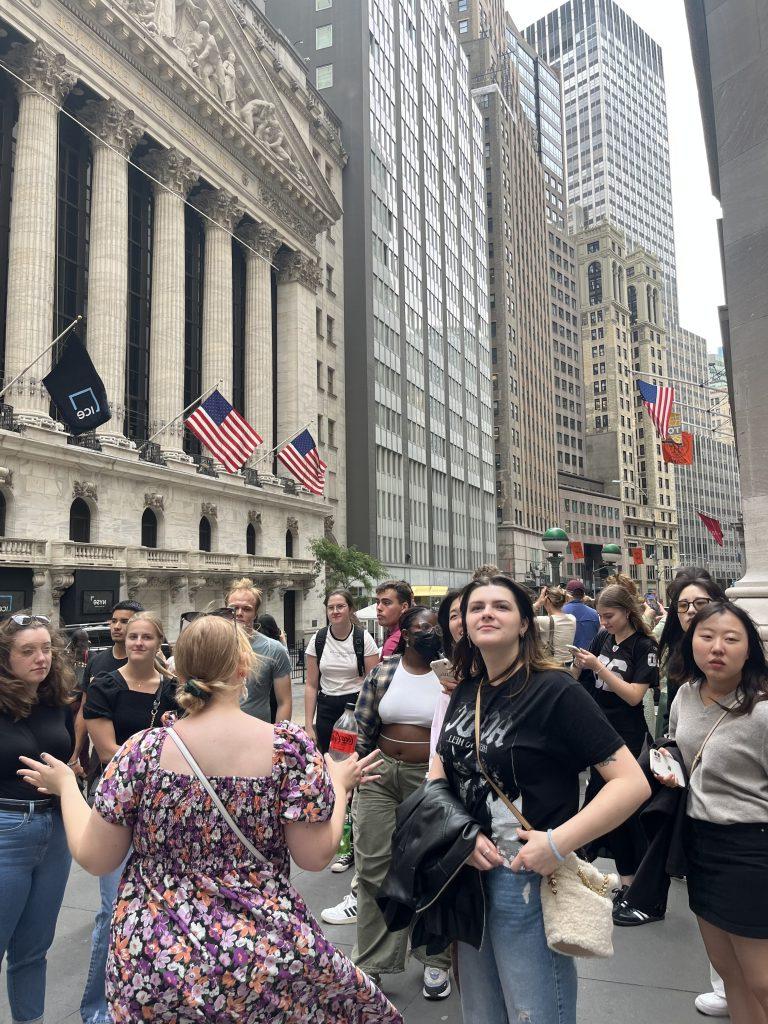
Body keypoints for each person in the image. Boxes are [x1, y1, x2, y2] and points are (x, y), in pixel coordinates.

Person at [19, 614, 402, 1024]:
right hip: (258, 953)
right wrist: (341, 785)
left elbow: (96, 858)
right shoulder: (288, 750)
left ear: (179, 670)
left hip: (154, 954)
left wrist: (66, 788)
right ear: (244, 668)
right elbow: (314, 856)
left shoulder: (142, 751)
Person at [431, 576, 649, 1024]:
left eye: (501, 607)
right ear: (465, 626)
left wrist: (557, 843)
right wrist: (458, 831)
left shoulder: (555, 691)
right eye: (476, 608)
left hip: (525, 878)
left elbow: (631, 781)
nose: (486, 614)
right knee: (482, 1013)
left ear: (525, 624)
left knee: (534, 1012)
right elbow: (439, 770)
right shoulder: (466, 690)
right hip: (467, 872)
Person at [655, 601, 768, 1024]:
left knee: (762, 979)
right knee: (730, 973)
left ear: (749, 650)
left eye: (731, 638)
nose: (717, 647)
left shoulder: (761, 711)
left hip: (751, 851)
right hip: (699, 846)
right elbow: (676, 744)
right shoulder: (685, 694)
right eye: (706, 637)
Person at [80, 611, 178, 1024]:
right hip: (118, 807)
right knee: (112, 907)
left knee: (161, 907)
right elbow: (109, 754)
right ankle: (98, 1007)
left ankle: (150, 998)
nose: (137, 642)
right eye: (132, 636)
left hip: (162, 809)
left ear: (159, 643)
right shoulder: (104, 686)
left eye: (146, 637)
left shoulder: (175, 691)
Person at [612, 575, 727, 928]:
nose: (691, 611)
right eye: (683, 605)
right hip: (686, 770)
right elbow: (673, 719)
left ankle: (647, 897)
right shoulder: (678, 660)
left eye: (700, 603)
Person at [353, 606, 453, 1000]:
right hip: (380, 774)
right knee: (373, 865)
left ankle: (434, 959)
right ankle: (372, 963)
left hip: (428, 779)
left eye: (434, 628)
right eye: (420, 628)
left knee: (430, 867)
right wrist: (354, 775)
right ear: (406, 633)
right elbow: (362, 724)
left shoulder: (452, 675)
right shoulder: (384, 671)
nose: (428, 633)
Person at [0, 613, 76, 1024]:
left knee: (33, 949)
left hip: (55, 831)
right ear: (5, 658)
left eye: (46, 648)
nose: (41, 658)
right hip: (6, 831)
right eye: (27, 651)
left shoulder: (56, 701)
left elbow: (66, 758)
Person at [571, 584, 658, 903]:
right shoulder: (603, 638)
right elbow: (580, 679)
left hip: (626, 734)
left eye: (609, 616)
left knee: (612, 807)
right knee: (604, 805)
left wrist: (599, 668)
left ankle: (621, 878)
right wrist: (580, 664)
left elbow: (635, 696)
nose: (604, 622)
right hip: (598, 728)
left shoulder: (644, 645)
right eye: (602, 616)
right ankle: (614, 876)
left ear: (627, 612)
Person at [71, 601, 144, 777]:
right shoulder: (96, 662)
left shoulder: (147, 664)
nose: (117, 626)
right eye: (113, 621)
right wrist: (74, 756)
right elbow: (84, 709)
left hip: (140, 758)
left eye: (124, 621)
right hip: (101, 759)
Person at [305, 590, 379, 755]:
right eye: (330, 607)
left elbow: (373, 684)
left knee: (352, 757)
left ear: (350, 609)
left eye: (340, 606)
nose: (335, 611)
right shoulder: (318, 639)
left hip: (355, 707)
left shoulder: (364, 639)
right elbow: (311, 685)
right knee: (328, 757)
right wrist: (309, 726)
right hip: (326, 707)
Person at [226, 578, 292, 723]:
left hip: (259, 734)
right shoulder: (212, 645)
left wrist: (279, 739)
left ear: (256, 614)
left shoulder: (274, 649)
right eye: (234, 608)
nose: (239, 613)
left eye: (247, 608)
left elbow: (284, 702)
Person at [430, 587, 464, 758]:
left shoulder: (543, 683)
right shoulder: (451, 686)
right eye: (454, 616)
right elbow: (437, 746)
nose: (462, 621)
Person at [532, 586, 577, 665]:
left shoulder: (543, 621)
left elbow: (521, 618)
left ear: (548, 601)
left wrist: (538, 603)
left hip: (552, 664)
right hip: (569, 663)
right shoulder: (572, 618)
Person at [375, 580, 414, 657]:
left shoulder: (394, 642)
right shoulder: (410, 632)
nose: (379, 607)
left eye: (386, 603)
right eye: (377, 602)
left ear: (404, 607)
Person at [563, 579, 600, 650]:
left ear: (567, 594)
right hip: (589, 656)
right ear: (583, 595)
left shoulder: (561, 612)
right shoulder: (594, 613)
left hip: (568, 657)